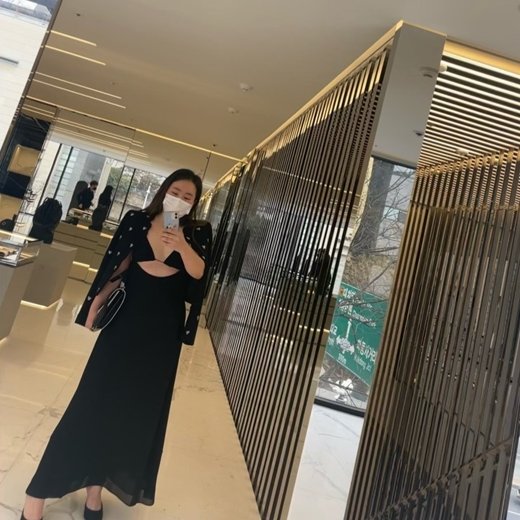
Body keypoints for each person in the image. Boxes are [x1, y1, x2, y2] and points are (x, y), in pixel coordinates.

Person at [21, 169, 212, 520]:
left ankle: (95, 490)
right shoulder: (137, 220)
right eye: (176, 192)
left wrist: (181, 244)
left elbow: (200, 275)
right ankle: (37, 493)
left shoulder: (198, 232)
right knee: (90, 403)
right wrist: (95, 302)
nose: (180, 200)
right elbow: (118, 265)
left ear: (195, 203)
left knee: (131, 415)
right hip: (124, 324)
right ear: (164, 191)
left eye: (188, 197)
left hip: (162, 336)